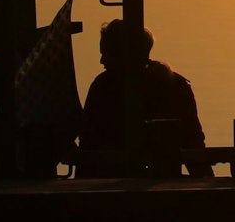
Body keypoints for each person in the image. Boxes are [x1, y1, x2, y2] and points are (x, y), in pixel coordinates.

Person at [76, 18, 214, 178]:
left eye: (105, 53)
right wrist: (206, 181)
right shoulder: (176, 84)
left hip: (112, 180)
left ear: (121, 53)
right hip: (166, 179)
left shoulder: (103, 86)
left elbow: (88, 141)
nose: (102, 60)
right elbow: (193, 139)